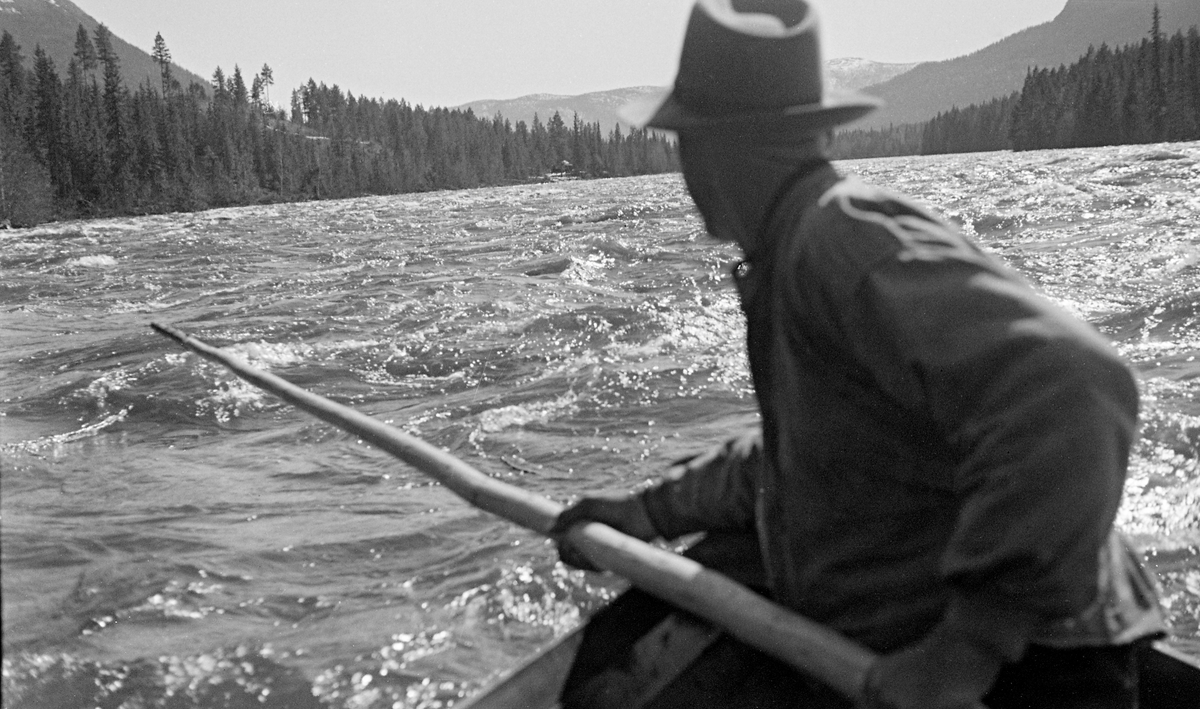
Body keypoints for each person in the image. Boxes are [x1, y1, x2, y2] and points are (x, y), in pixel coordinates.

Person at [551, 1, 1167, 707]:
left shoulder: (835, 241)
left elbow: (1074, 391)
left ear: (719, 148)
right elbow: (805, 460)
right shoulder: (792, 255)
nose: (684, 171)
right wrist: (648, 512)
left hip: (1035, 670)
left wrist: (966, 649)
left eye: (685, 144)